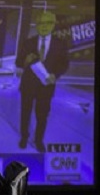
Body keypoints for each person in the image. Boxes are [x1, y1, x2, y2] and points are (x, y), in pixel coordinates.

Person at [17, 11, 69, 153]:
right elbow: (18, 62)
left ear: (53, 25)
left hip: (46, 86)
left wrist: (55, 75)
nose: (44, 26)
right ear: (37, 25)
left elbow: (64, 64)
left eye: (47, 23)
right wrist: (24, 61)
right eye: (41, 23)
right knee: (25, 113)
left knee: (42, 115)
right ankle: (24, 137)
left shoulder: (60, 44)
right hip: (28, 85)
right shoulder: (28, 43)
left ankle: (39, 140)